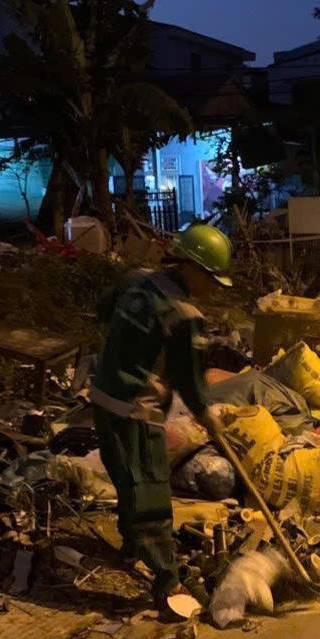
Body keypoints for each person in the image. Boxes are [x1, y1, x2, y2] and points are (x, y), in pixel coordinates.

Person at [91, 224, 232, 612]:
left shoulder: (136, 282)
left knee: (124, 477)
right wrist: (207, 414)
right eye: (211, 279)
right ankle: (168, 583)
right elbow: (189, 376)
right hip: (136, 409)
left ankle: (130, 546)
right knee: (149, 491)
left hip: (102, 395)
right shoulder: (184, 314)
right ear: (191, 267)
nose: (213, 288)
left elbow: (103, 311)